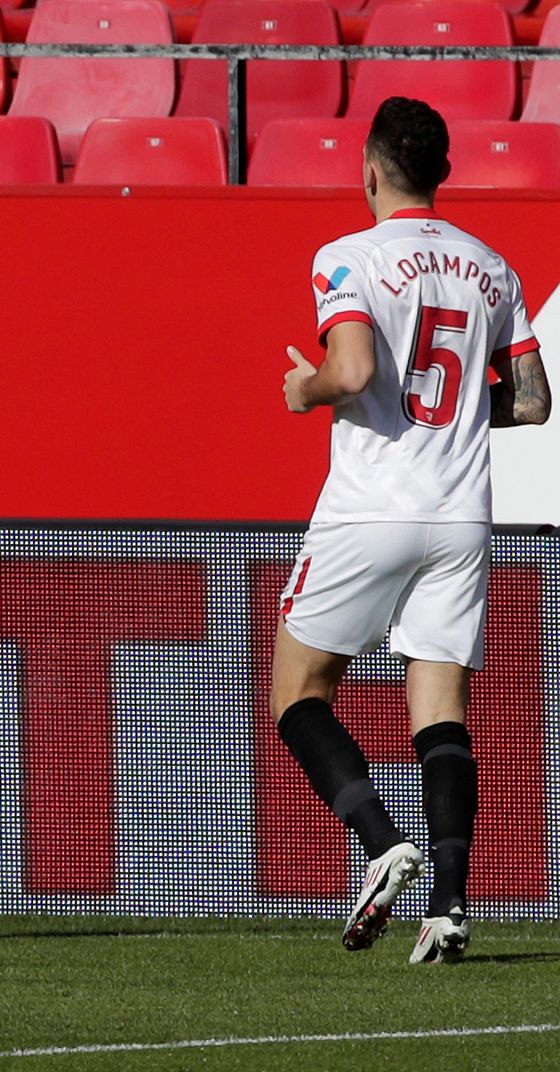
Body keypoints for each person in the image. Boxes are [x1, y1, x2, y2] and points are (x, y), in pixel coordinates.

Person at [275, 96, 549, 964]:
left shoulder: (348, 257)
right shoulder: (493, 266)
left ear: (369, 169)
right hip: (462, 513)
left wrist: (306, 390)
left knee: (299, 693)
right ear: (442, 173)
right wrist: (465, 407)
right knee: (441, 712)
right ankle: (452, 903)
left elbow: (352, 367)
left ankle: (381, 841)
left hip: (371, 503)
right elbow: (536, 401)